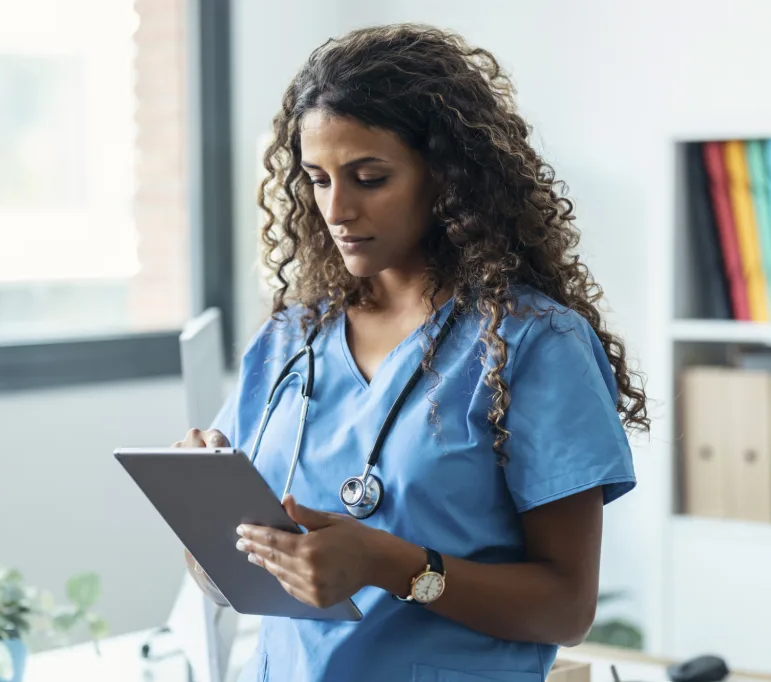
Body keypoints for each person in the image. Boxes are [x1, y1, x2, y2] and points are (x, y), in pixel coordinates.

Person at [173, 22, 649, 682]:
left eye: (369, 177)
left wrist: (389, 564)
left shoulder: (535, 345)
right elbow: (226, 582)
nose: (336, 208)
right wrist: (203, 512)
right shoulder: (291, 337)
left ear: (446, 177)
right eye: (317, 178)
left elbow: (566, 609)